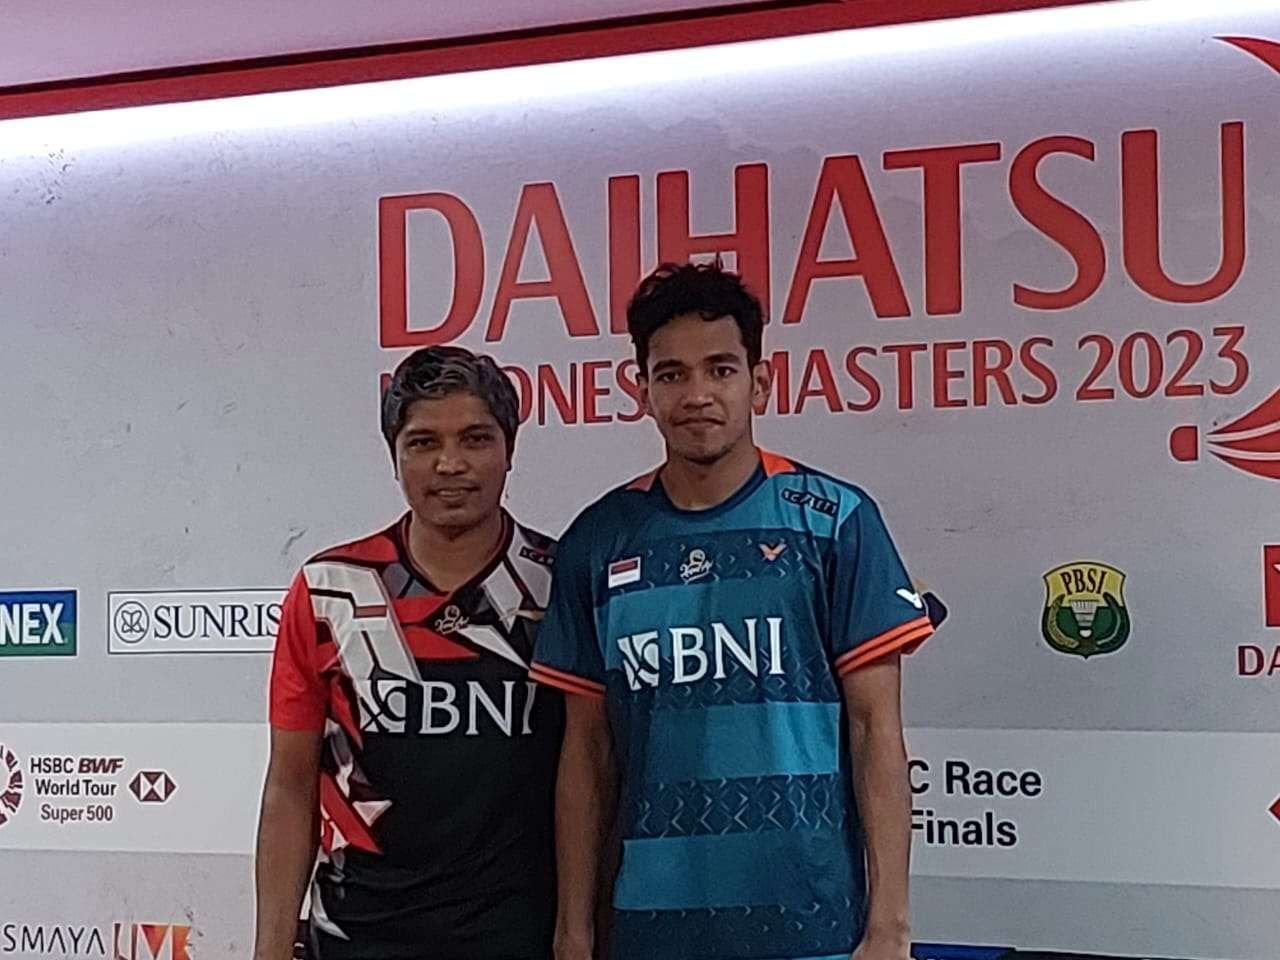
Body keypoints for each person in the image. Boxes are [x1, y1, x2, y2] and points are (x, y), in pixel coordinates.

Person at [531, 262, 944, 960]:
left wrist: (890, 927)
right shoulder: (598, 542)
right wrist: (573, 929)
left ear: (760, 381)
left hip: (813, 925)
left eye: (720, 370)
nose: (697, 395)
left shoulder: (835, 521)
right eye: (672, 374)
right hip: (650, 929)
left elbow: (876, 731)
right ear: (641, 390)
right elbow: (587, 752)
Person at [254, 345, 562, 960]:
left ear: (510, 449)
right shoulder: (330, 593)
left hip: (518, 937)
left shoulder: (561, 586)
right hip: (356, 937)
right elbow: (290, 786)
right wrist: (269, 948)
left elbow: (596, 775)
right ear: (394, 457)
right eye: (423, 442)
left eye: (475, 438)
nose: (450, 464)